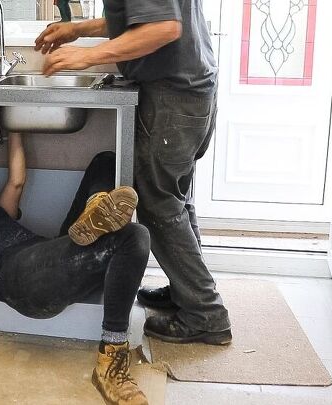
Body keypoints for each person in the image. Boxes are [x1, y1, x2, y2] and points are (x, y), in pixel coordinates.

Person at [34, 0, 232, 345]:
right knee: (174, 201)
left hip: (174, 96)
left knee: (160, 207)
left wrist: (86, 56)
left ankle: (206, 315)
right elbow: (139, 20)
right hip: (189, 90)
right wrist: (78, 30)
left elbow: (163, 29)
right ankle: (185, 292)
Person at [0, 133, 150, 405]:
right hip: (18, 276)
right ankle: (111, 359)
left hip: (50, 253)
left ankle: (93, 213)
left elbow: (17, 180)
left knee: (105, 160)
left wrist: (12, 126)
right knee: (136, 236)